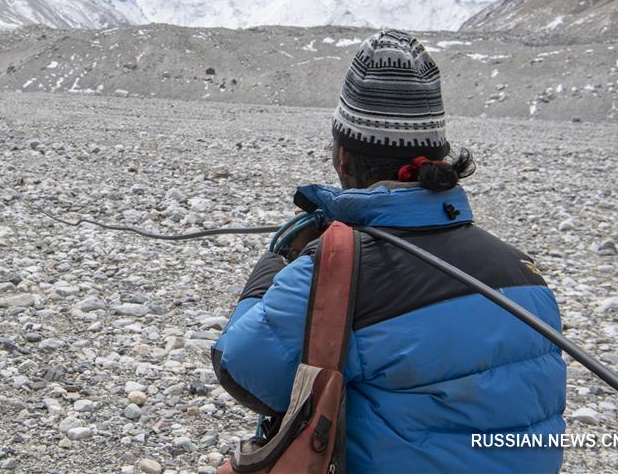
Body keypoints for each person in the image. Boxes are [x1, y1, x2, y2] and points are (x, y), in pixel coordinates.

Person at [212, 30, 566, 474]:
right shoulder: (525, 273)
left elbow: (242, 370)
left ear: (343, 157)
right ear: (440, 159)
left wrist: (273, 267)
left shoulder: (337, 271)